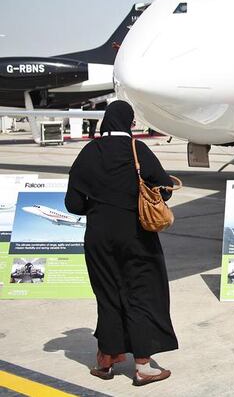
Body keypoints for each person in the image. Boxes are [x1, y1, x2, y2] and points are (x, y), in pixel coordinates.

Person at [65, 100, 177, 386]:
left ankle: (105, 360)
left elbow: (73, 203)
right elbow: (164, 191)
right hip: (137, 236)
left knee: (108, 294)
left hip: (99, 238)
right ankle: (143, 366)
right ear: (129, 123)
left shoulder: (89, 152)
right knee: (143, 293)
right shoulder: (138, 151)